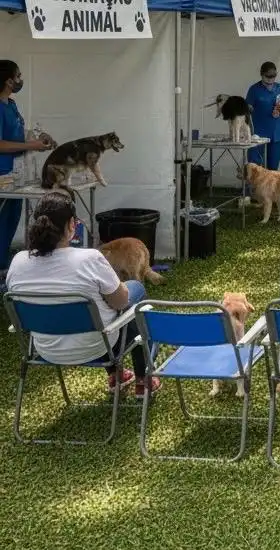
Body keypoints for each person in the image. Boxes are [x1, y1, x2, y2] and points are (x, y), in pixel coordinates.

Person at [5, 193, 162, 399]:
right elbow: (121, 302)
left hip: (45, 348)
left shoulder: (17, 262)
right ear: (72, 225)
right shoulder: (90, 258)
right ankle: (144, 380)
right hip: (97, 346)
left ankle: (116, 374)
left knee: (100, 312)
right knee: (135, 292)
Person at [0, 60, 52, 273]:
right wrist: (32, 145)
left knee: (11, 220)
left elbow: (18, 134)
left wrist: (38, 138)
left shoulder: (10, 105)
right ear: (8, 80)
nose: (21, 80)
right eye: (18, 76)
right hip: (2, 174)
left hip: (17, 173)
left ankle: (3, 265)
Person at [245, 61, 280, 170]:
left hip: (277, 134)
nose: (271, 79)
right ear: (261, 74)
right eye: (268, 76)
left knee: (273, 169)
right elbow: (247, 110)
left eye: (274, 76)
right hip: (257, 135)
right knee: (254, 167)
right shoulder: (254, 89)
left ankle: (270, 187)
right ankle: (252, 187)